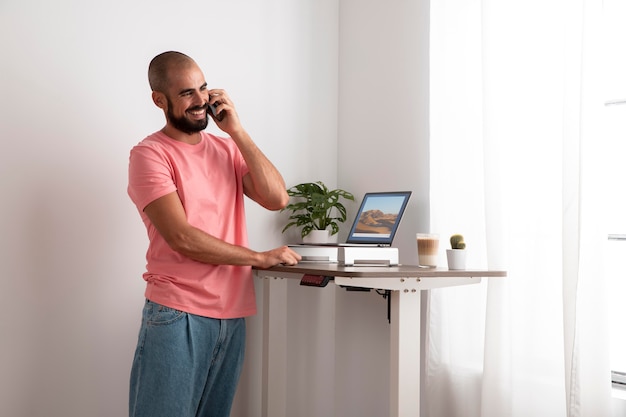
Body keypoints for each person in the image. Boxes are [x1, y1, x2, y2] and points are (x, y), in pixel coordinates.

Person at [127, 51, 301, 417]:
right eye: (186, 93)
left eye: (203, 88)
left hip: (231, 314)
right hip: (177, 314)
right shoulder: (150, 155)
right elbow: (182, 238)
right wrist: (259, 257)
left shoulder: (225, 148)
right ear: (159, 100)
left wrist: (237, 131)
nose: (200, 100)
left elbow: (277, 198)